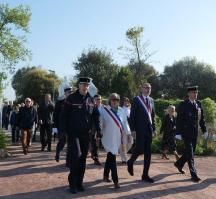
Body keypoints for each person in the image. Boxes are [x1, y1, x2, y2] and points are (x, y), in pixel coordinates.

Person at [61, 77, 101, 194]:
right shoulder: (71, 98)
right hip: (73, 134)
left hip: (85, 134)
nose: (85, 87)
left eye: (87, 85)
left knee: (83, 159)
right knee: (76, 157)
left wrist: (98, 130)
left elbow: (95, 116)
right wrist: (63, 132)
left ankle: (79, 182)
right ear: (79, 85)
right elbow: (63, 116)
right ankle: (72, 184)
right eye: (83, 85)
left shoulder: (91, 100)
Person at [174, 86, 208, 182]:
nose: (195, 94)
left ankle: (179, 164)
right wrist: (178, 132)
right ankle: (194, 174)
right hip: (186, 133)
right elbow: (179, 119)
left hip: (195, 133)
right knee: (191, 154)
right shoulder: (183, 104)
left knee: (189, 152)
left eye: (196, 92)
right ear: (188, 93)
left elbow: (201, 119)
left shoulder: (198, 104)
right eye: (193, 92)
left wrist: (204, 130)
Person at [100, 93, 132, 189]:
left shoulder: (122, 111)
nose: (115, 101)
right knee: (112, 157)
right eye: (113, 100)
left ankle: (105, 176)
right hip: (107, 137)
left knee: (110, 156)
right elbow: (100, 123)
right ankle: (116, 181)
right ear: (110, 100)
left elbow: (125, 124)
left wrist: (129, 134)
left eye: (117, 100)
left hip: (118, 138)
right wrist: (98, 135)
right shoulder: (104, 110)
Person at [127, 83, 156, 183]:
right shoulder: (137, 99)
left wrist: (154, 129)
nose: (148, 89)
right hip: (139, 130)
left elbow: (152, 116)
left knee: (148, 153)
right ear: (142, 89)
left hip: (149, 130)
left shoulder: (151, 100)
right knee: (139, 149)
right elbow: (132, 117)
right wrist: (133, 130)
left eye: (150, 88)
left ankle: (145, 175)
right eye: (146, 88)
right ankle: (130, 162)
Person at [54, 85, 72, 162]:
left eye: (71, 92)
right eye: (68, 92)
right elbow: (55, 115)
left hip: (71, 127)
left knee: (70, 143)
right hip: (62, 126)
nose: (70, 94)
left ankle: (68, 161)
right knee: (62, 142)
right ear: (65, 93)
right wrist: (55, 127)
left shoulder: (74, 103)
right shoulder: (60, 102)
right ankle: (58, 152)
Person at [89, 94, 103, 165]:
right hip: (93, 128)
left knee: (96, 143)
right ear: (94, 100)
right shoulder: (91, 108)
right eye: (97, 99)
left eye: (100, 99)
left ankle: (95, 156)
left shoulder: (104, 108)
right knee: (94, 142)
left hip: (101, 128)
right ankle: (95, 157)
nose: (99, 101)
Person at [120, 97, 133, 163]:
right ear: (123, 102)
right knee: (124, 143)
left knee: (131, 142)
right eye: (125, 101)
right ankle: (124, 158)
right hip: (123, 129)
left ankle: (122, 153)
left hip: (130, 129)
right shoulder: (121, 109)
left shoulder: (130, 109)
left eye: (127, 101)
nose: (126, 102)